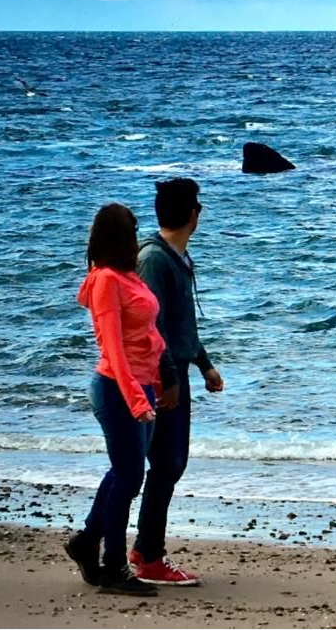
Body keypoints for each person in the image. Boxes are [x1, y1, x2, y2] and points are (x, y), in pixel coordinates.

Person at [65, 203, 162, 597]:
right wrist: (137, 399)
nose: (137, 235)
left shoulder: (128, 276)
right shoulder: (106, 280)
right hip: (117, 388)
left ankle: (87, 540)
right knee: (129, 476)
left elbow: (147, 335)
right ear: (119, 236)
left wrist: (157, 381)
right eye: (132, 229)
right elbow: (114, 349)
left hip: (144, 385)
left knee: (125, 471)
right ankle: (113, 567)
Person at [131, 177, 224, 586]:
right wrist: (168, 378)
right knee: (165, 463)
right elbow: (154, 326)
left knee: (170, 463)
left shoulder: (177, 257)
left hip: (177, 371)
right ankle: (148, 554)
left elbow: (182, 325)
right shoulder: (154, 259)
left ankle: (143, 548)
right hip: (160, 376)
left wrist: (205, 365)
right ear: (192, 214)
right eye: (198, 206)